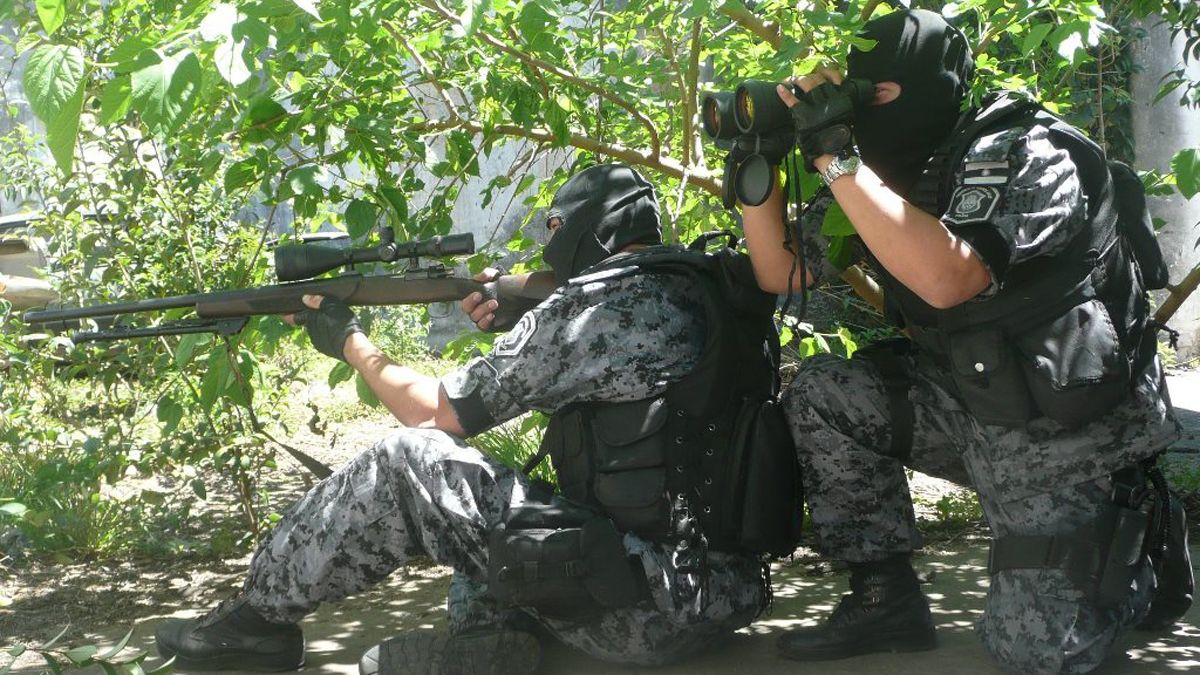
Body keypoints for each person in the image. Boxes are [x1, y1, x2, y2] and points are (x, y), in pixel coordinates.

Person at [154, 163, 789, 674]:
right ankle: (491, 638)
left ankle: (254, 627)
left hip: (641, 612)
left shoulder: (597, 305)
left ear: (582, 237)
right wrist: (524, 317)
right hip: (721, 595)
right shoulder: (712, 283)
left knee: (413, 460)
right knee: (493, 496)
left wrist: (348, 339)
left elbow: (431, 411)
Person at [738, 9, 1191, 674]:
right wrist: (759, 163)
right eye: (862, 91)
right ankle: (884, 597)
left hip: (1066, 435)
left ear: (936, 85)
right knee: (822, 392)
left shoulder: (1023, 150)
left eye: (882, 92)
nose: (873, 107)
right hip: (973, 403)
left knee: (1034, 652)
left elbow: (952, 275)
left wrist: (835, 154)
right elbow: (783, 270)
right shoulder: (880, 169)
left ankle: (1137, 549)